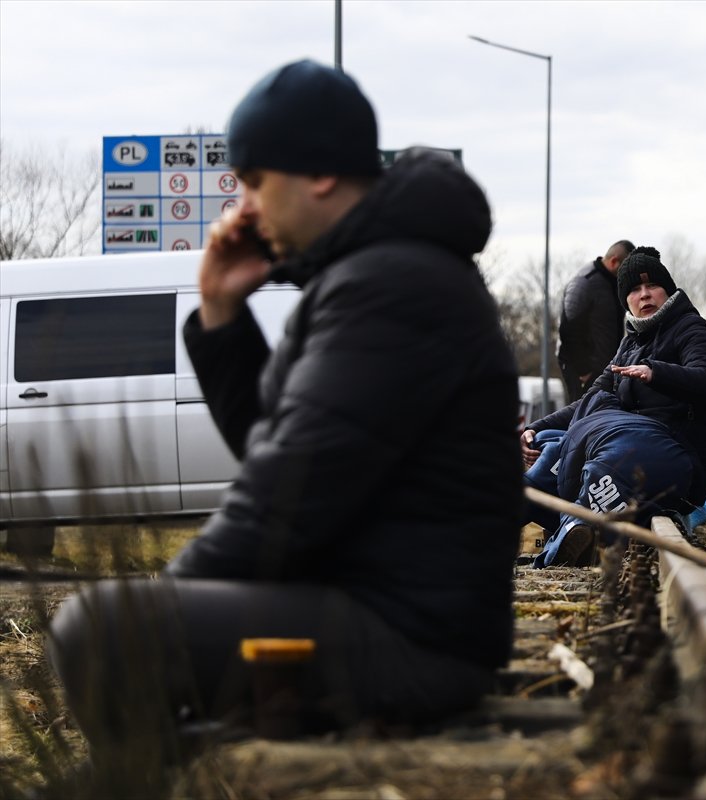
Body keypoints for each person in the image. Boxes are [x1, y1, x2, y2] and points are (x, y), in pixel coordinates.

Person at [48, 59, 523, 765]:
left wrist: (159, 620)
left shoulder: (392, 284)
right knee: (122, 635)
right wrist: (220, 312)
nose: (241, 207)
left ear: (318, 174)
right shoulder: (372, 275)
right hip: (385, 614)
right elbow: (276, 452)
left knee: (104, 631)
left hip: (411, 643)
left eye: (253, 182)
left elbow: (282, 503)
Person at [522, 246, 706, 566]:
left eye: (652, 286)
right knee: (552, 449)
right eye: (634, 289)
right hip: (627, 441)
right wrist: (537, 427)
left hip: (678, 456)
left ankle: (575, 533)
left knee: (616, 455)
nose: (644, 295)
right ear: (625, 300)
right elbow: (589, 400)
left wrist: (656, 373)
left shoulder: (691, 328)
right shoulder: (630, 342)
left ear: (667, 291)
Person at [557, 240, 634, 402]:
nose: (628, 274)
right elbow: (568, 328)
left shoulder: (613, 284)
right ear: (614, 262)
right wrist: (583, 369)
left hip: (605, 368)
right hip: (583, 370)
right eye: (625, 269)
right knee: (582, 415)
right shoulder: (584, 282)